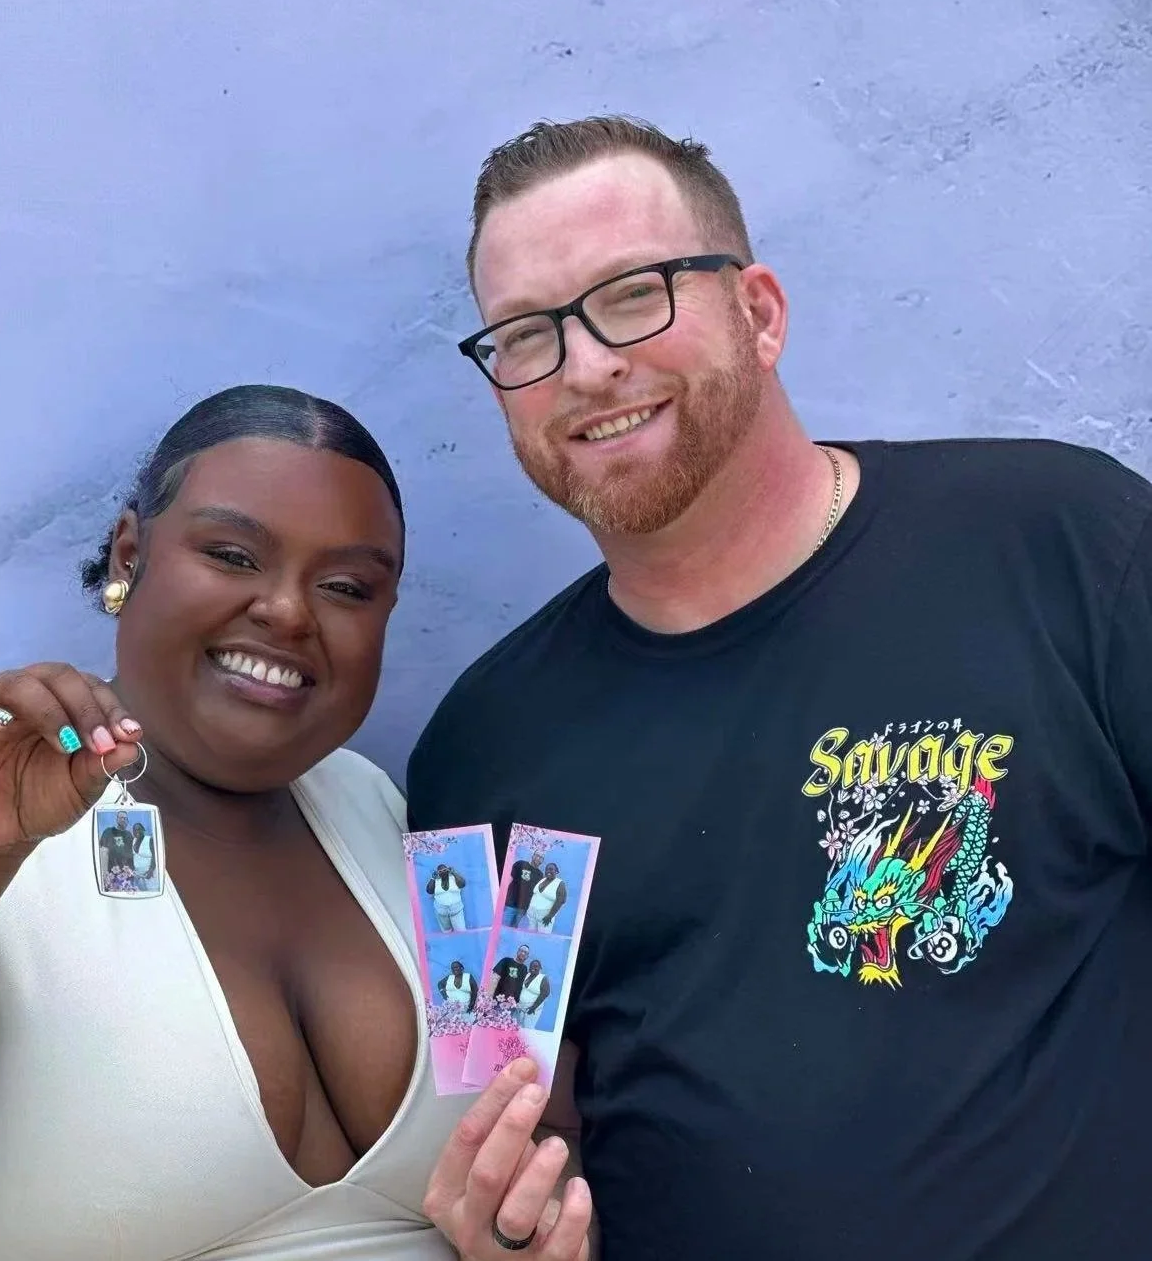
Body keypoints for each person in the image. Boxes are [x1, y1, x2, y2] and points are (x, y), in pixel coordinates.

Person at [408, 113, 1152, 1260]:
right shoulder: (470, 757)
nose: (585, 364)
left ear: (757, 312)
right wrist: (511, 1230)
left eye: (631, 295)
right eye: (523, 334)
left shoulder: (1064, 541)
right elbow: (509, 1104)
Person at [0, 383, 589, 1261]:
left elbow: (537, 1141)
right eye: (233, 554)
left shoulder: (396, 814)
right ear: (130, 554)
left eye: (346, 586)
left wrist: (531, 1236)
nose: (288, 611)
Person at [502, 849, 542, 927]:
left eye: (541, 858)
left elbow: (536, 893)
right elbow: (508, 879)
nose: (539, 858)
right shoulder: (520, 864)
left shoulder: (540, 875)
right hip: (510, 904)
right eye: (537, 855)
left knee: (513, 930)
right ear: (533, 856)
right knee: (503, 927)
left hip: (523, 908)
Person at [522, 863, 566, 934]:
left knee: (542, 938)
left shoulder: (560, 883)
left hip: (545, 917)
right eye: (546, 869)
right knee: (530, 936)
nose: (548, 871)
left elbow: (561, 901)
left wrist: (550, 916)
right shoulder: (542, 880)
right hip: (532, 915)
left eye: (551, 869)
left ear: (556, 871)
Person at [426, 863, 467, 931]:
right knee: (447, 932)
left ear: (448, 870)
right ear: (438, 872)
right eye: (440, 871)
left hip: (456, 910)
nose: (443, 872)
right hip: (441, 912)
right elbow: (429, 891)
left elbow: (462, 884)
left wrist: (454, 872)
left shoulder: (454, 878)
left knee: (461, 930)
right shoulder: (436, 881)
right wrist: (433, 878)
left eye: (445, 870)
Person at [514, 960, 550, 1030]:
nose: (533, 967)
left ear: (540, 968)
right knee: (516, 1027)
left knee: (527, 1029)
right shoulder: (527, 975)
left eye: (536, 966)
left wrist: (533, 1008)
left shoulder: (543, 978)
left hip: (532, 1010)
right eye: (531, 966)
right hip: (520, 1008)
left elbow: (545, 993)